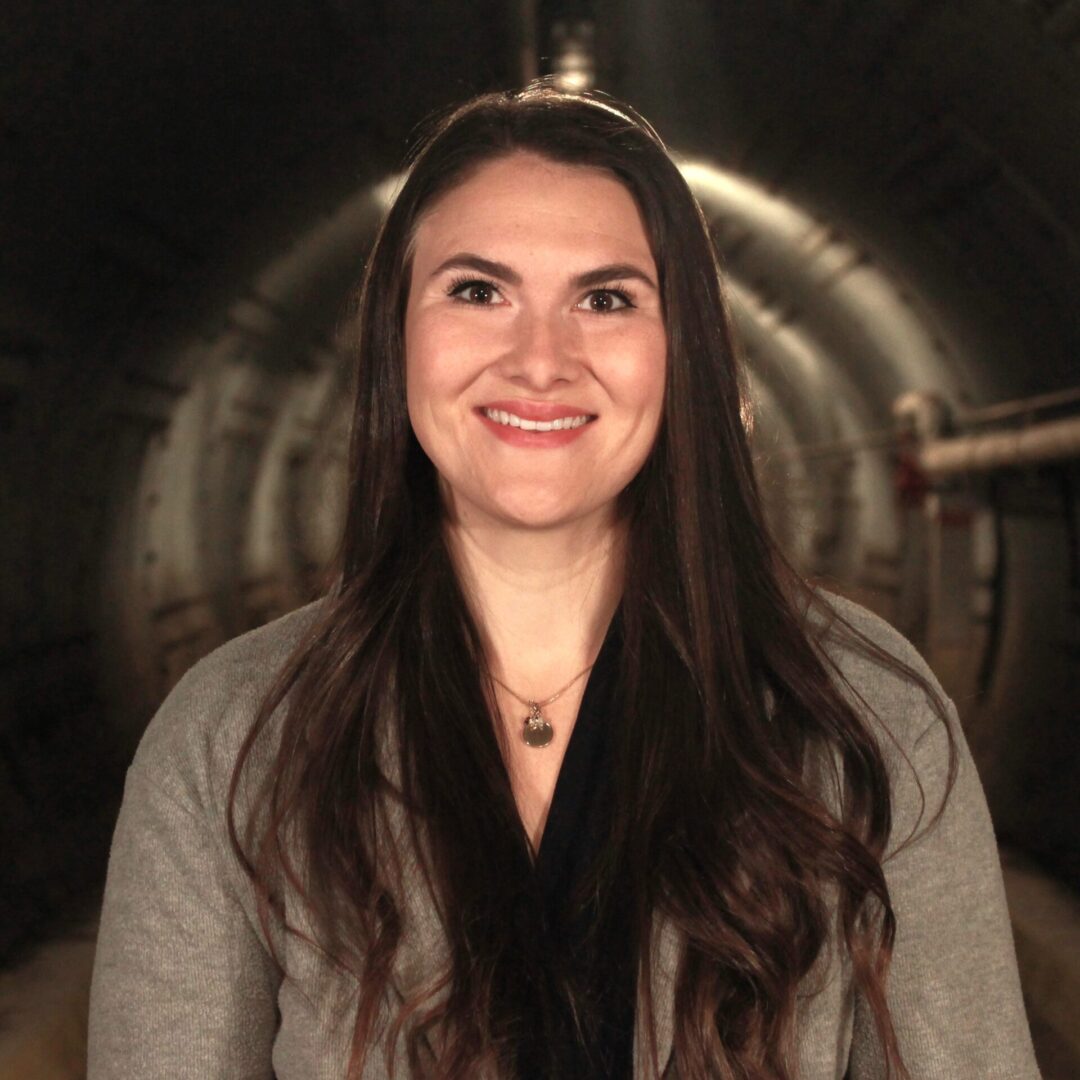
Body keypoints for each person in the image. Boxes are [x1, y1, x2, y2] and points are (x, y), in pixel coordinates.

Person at [87, 80, 1041, 1079]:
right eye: (477, 291)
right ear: (393, 339)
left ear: (685, 351)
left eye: (606, 298)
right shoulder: (237, 735)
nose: (541, 359)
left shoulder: (861, 713)